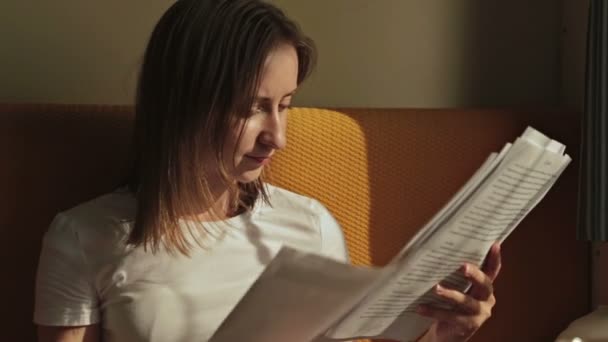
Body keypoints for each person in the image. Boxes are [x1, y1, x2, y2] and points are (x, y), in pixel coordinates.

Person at [33, 1, 502, 341]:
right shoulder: (83, 236)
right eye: (253, 109)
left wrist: (441, 336)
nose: (277, 137)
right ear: (185, 106)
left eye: (285, 105)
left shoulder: (310, 226)